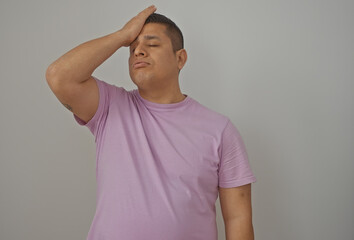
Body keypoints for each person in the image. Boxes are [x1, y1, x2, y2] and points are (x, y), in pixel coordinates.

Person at [45, 5, 256, 240]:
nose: (138, 52)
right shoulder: (110, 107)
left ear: (180, 58)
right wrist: (122, 36)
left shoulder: (220, 130)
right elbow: (59, 76)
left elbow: (238, 218)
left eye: (152, 45)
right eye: (132, 48)